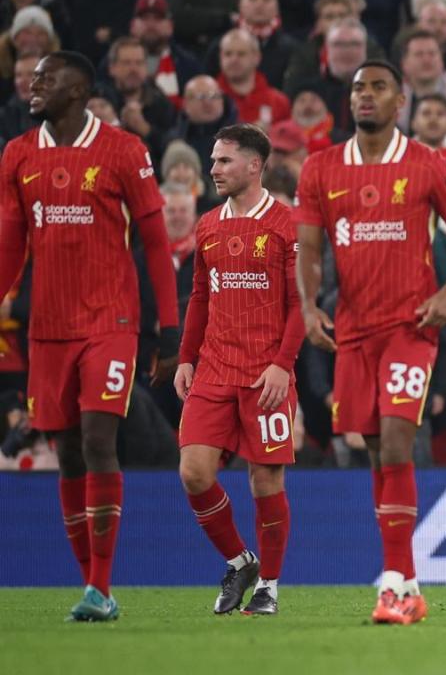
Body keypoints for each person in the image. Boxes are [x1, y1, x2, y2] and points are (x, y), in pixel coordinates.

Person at [294, 58, 446, 625]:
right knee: (374, 450)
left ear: (400, 101)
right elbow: (307, 250)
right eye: (358, 88)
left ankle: (393, 587)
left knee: (400, 444)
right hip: (352, 332)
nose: (366, 96)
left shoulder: (427, 164)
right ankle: (410, 582)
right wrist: (308, 307)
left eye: (379, 88)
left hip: (411, 328)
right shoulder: (321, 168)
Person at [0, 50, 181, 622]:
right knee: (68, 450)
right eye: (32, 78)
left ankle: (100, 587)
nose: (33, 85)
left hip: (111, 322)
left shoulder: (125, 151)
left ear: (77, 90)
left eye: (46, 79)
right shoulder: (18, 153)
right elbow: (10, 244)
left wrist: (168, 330)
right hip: (47, 330)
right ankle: (92, 586)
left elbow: (155, 245)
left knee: (100, 438)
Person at [173, 124, 302, 616]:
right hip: (214, 370)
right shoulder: (207, 225)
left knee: (265, 483)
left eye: (224, 161)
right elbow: (200, 297)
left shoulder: (287, 224)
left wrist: (282, 366)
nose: (214, 169)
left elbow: (299, 304)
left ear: (254, 165)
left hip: (265, 372)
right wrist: (186, 357)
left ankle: (269, 585)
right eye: (213, 160)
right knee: (194, 472)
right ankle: (239, 559)